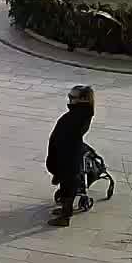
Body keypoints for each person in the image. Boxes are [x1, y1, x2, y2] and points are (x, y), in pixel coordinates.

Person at [46, 86, 95, 227]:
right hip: (65, 153)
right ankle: (64, 211)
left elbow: (67, 136)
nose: (70, 100)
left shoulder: (78, 115)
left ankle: (65, 217)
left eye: (73, 97)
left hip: (68, 155)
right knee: (66, 184)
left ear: (83, 99)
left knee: (68, 187)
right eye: (69, 96)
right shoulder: (79, 112)